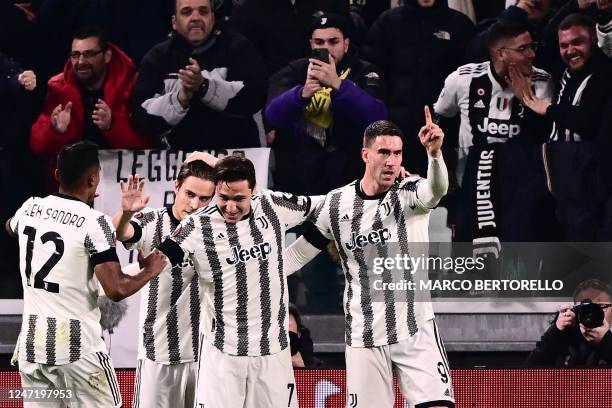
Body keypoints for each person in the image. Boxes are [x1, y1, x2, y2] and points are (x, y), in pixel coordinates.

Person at [284, 112, 454, 408]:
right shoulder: (336, 204)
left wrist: (435, 154)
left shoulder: (410, 192)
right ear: (366, 154)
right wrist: (259, 273)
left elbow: (436, 190)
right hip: (365, 334)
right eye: (383, 152)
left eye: (397, 153)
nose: (391, 161)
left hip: (415, 328)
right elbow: (301, 251)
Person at [4, 141, 167, 408]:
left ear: (57, 175)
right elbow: (116, 289)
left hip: (33, 347)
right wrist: (149, 270)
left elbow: (10, 227)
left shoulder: (29, 208)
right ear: (94, 180)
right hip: (78, 349)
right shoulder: (94, 221)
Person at [156, 155, 320, 407]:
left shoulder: (271, 205)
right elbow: (158, 260)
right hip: (222, 355)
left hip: (272, 354)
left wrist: (292, 258)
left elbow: (328, 206)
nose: (230, 207)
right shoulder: (197, 226)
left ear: (253, 191)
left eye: (239, 199)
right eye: (223, 198)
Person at [434, 20, 557, 243]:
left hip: (521, 190)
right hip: (472, 187)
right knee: (474, 259)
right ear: (501, 54)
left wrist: (526, 101)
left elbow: (541, 135)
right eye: (523, 49)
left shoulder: (542, 81)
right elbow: (441, 117)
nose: (531, 54)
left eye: (532, 47)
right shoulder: (463, 79)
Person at [112, 154, 217, 408]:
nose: (195, 204)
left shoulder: (217, 229)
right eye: (189, 194)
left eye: (204, 199)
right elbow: (120, 232)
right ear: (176, 187)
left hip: (206, 355)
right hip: (158, 354)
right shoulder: (152, 221)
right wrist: (126, 213)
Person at [507, 13, 612, 240]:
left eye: (577, 42)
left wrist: (549, 109)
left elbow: (589, 122)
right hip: (562, 180)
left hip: (589, 183)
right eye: (564, 45)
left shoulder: (605, 73)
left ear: (594, 39)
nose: (570, 50)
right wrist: (528, 104)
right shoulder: (567, 74)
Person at [265, 12, 387, 195]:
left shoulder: (366, 71)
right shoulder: (296, 70)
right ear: (311, 44)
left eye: (333, 41)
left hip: (349, 171)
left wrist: (339, 85)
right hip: (300, 173)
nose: (327, 48)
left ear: (346, 44)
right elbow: (272, 115)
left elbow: (377, 118)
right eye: (319, 43)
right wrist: (301, 94)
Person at [130, 0, 268, 150]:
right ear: (174, 22)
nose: (195, 17)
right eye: (186, 12)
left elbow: (255, 96)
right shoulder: (157, 57)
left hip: (236, 160)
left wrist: (204, 86)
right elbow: (141, 116)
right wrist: (180, 99)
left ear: (213, 18)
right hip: (180, 164)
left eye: (203, 11)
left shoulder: (239, 48)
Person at [361, 0, 474, 176]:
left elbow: (469, 79)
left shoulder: (460, 25)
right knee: (396, 195)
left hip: (443, 133)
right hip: (396, 132)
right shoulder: (388, 22)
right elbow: (372, 69)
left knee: (439, 196)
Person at [30, 25, 154, 164]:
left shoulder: (131, 84)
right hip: (75, 178)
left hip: (122, 178)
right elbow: (38, 147)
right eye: (75, 55)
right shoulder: (58, 87)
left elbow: (149, 143)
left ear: (107, 56)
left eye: (88, 54)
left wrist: (112, 125)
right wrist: (55, 131)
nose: (81, 61)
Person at [230, 0, 351, 76]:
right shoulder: (249, 9)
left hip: (334, 82)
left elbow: (351, 44)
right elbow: (244, 59)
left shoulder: (332, 3)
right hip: (278, 89)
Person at [527, 279, 612, 366]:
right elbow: (531, 371)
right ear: (576, 309)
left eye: (600, 306)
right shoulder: (567, 333)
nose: (591, 312)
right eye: (585, 307)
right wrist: (556, 330)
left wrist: (606, 341)